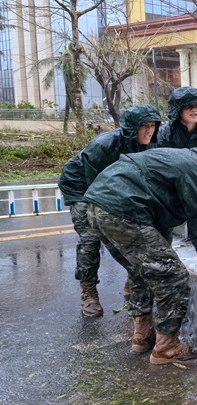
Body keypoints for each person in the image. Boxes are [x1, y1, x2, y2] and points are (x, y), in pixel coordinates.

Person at [83, 133, 197, 361]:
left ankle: (141, 336)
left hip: (97, 207)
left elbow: (158, 213)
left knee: (141, 270)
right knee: (174, 276)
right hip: (123, 211)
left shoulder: (183, 159)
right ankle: (167, 347)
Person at [58, 104, 161, 317]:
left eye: (153, 125)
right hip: (82, 186)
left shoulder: (149, 144)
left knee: (136, 230)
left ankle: (133, 281)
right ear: (132, 128)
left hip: (115, 186)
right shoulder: (103, 146)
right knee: (91, 237)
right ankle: (88, 291)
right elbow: (99, 189)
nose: (149, 131)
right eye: (145, 126)